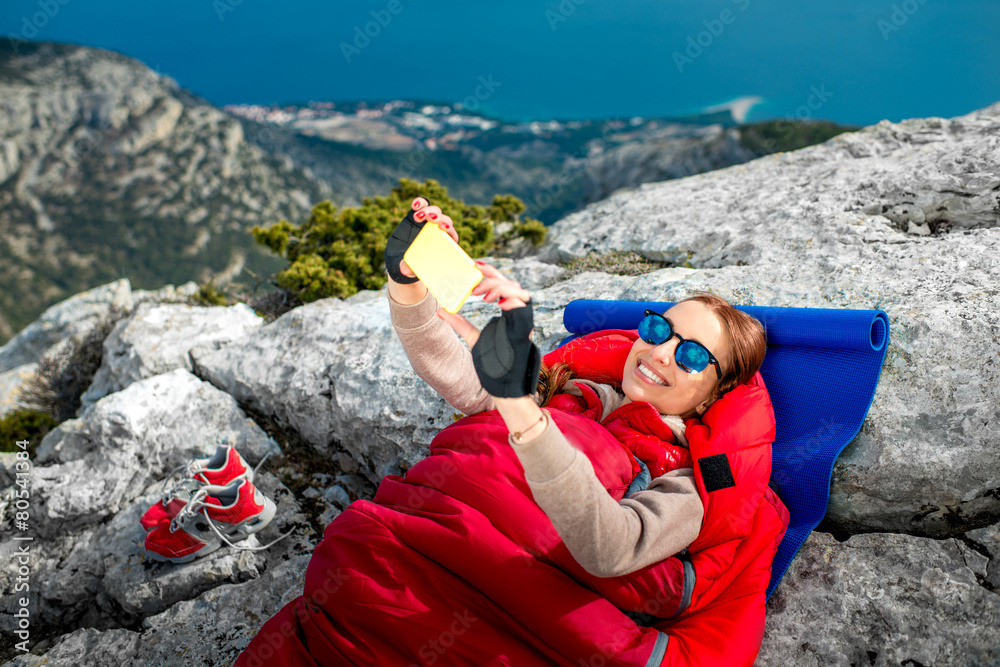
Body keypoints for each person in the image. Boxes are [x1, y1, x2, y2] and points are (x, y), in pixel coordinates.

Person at [237, 197, 790, 667]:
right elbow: (460, 377)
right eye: (658, 327)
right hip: (373, 578)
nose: (662, 351)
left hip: (484, 630)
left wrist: (522, 412)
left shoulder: (692, 482)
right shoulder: (575, 393)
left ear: (716, 395)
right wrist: (410, 285)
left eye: (692, 355)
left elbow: (611, 549)